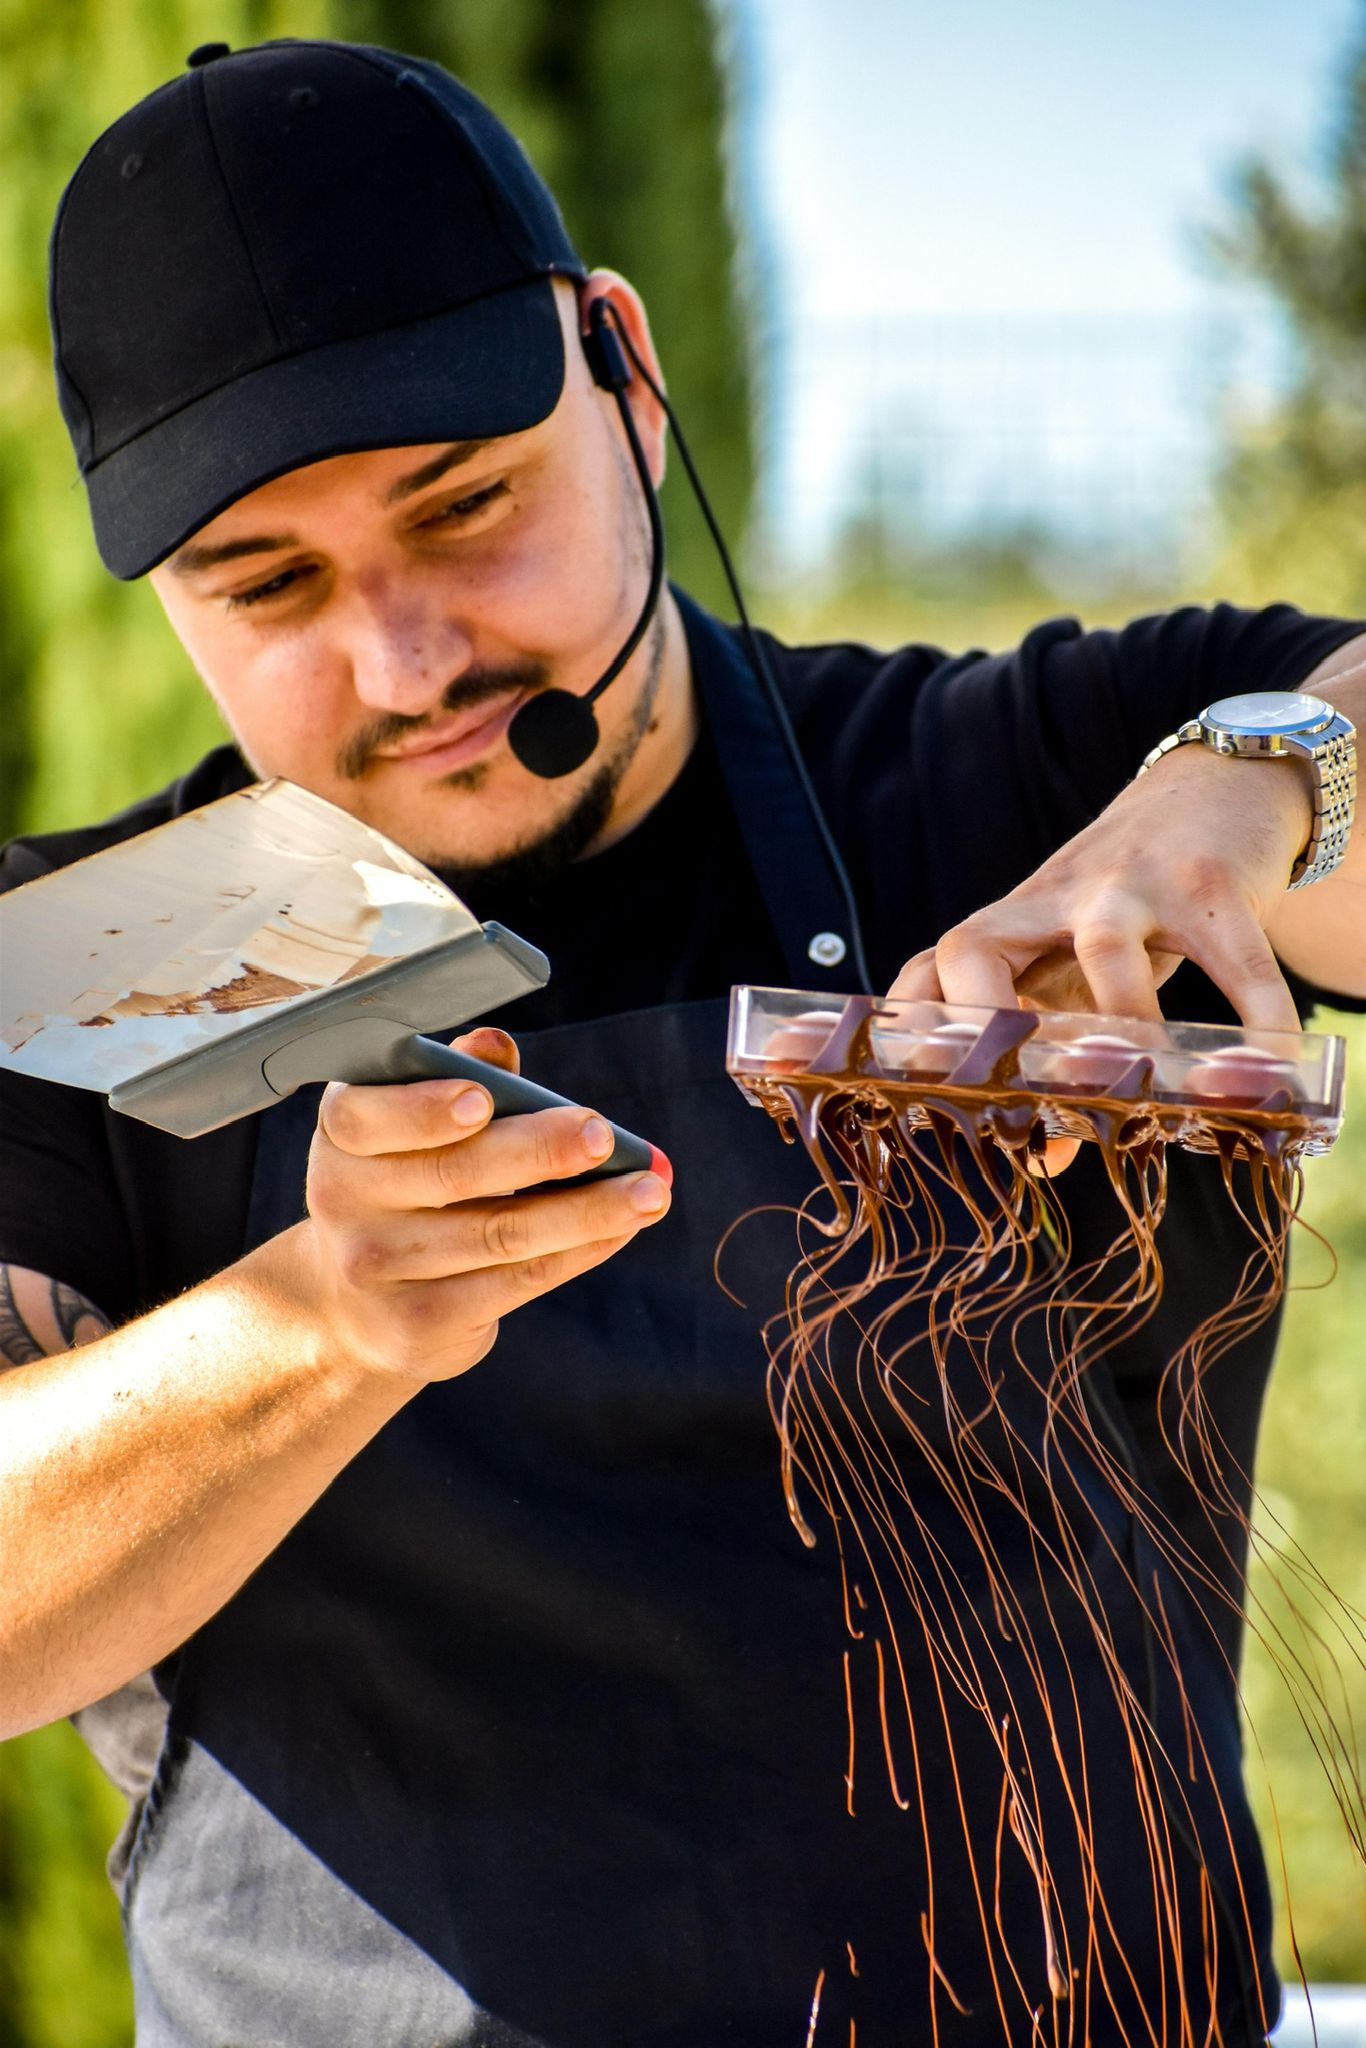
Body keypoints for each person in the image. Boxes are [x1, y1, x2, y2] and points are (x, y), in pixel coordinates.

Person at [1, 37, 1363, 2048]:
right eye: (267, 584)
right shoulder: (87, 968)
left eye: (466, 509)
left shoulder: (1013, 776)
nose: (410, 660)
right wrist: (320, 1316)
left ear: (625, 379)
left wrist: (1263, 775)